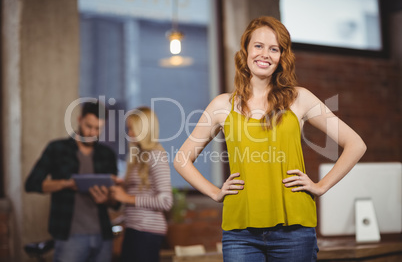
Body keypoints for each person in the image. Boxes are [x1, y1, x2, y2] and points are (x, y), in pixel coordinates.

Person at [174, 16, 366, 261]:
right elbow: (181, 159)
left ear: (281, 57)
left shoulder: (300, 98)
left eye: (274, 49)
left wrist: (321, 186)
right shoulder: (222, 105)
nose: (265, 54)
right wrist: (214, 192)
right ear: (245, 51)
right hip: (240, 233)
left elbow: (356, 144)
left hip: (294, 232)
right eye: (258, 46)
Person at [25, 101, 121, 262]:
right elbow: (31, 184)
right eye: (89, 126)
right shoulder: (57, 148)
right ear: (79, 120)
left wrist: (107, 199)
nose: (92, 133)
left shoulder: (107, 154)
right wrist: (66, 184)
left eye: (98, 129)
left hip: (103, 236)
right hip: (70, 236)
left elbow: (115, 203)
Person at [109, 106, 173, 262]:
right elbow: (140, 192)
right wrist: (121, 185)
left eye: (132, 128)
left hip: (147, 232)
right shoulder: (137, 157)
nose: (129, 133)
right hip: (133, 229)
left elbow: (166, 201)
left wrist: (127, 198)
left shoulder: (156, 155)